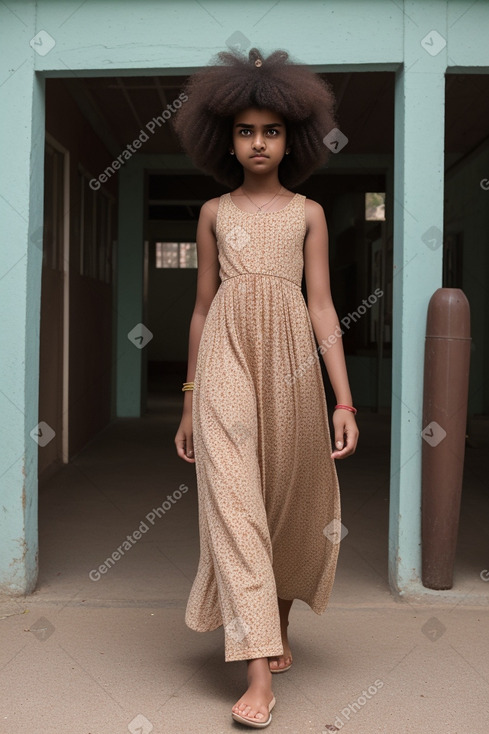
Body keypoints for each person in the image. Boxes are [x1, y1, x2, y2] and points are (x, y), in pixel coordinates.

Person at [173, 46, 359, 729]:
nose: (258, 141)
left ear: (292, 139)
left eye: (271, 130)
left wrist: (342, 400)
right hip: (224, 358)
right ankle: (255, 666)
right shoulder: (212, 213)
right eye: (246, 130)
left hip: (291, 367)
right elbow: (199, 307)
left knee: (286, 494)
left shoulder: (307, 213)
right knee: (234, 502)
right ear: (225, 138)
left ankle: (275, 613)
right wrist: (190, 399)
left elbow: (321, 308)